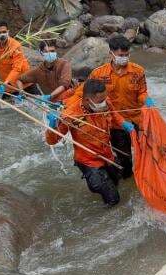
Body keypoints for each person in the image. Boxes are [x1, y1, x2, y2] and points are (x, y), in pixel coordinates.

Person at [45, 79, 136, 207]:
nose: (105, 103)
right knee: (113, 198)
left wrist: (123, 123)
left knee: (116, 181)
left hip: (106, 155)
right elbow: (52, 140)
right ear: (87, 100)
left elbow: (114, 115)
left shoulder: (104, 102)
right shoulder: (71, 115)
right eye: (101, 101)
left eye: (105, 98)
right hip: (88, 160)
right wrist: (52, 127)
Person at [89, 35, 155, 179]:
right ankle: (129, 179)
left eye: (126, 55)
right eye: (120, 55)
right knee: (124, 158)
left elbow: (142, 92)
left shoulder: (138, 71)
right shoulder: (98, 74)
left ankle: (146, 180)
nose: (124, 58)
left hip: (137, 121)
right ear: (111, 54)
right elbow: (89, 97)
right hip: (115, 125)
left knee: (146, 153)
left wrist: (147, 100)